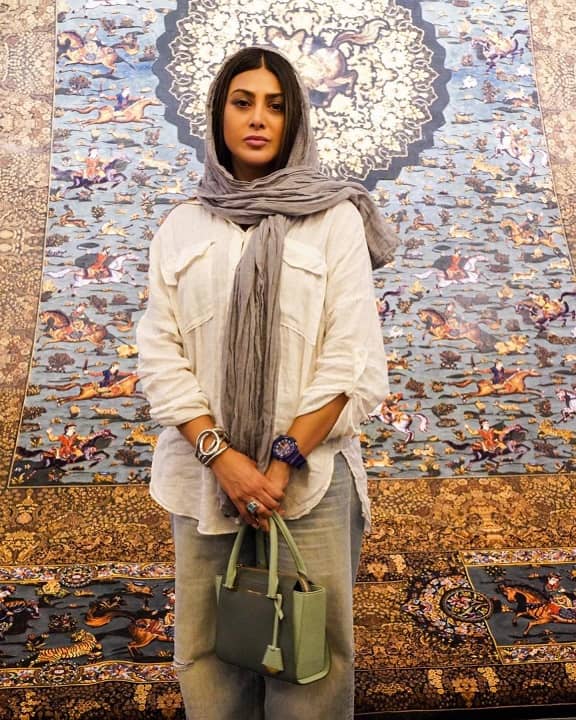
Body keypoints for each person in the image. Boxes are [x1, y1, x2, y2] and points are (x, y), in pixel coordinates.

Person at [137, 45, 397, 720]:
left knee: (311, 664)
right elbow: (160, 355)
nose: (258, 119)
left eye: (276, 107)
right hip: (205, 479)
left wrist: (279, 463)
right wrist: (222, 459)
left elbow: (350, 358)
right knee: (210, 660)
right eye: (243, 102)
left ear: (295, 120)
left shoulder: (334, 219)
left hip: (308, 482)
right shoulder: (181, 226)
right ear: (217, 115)